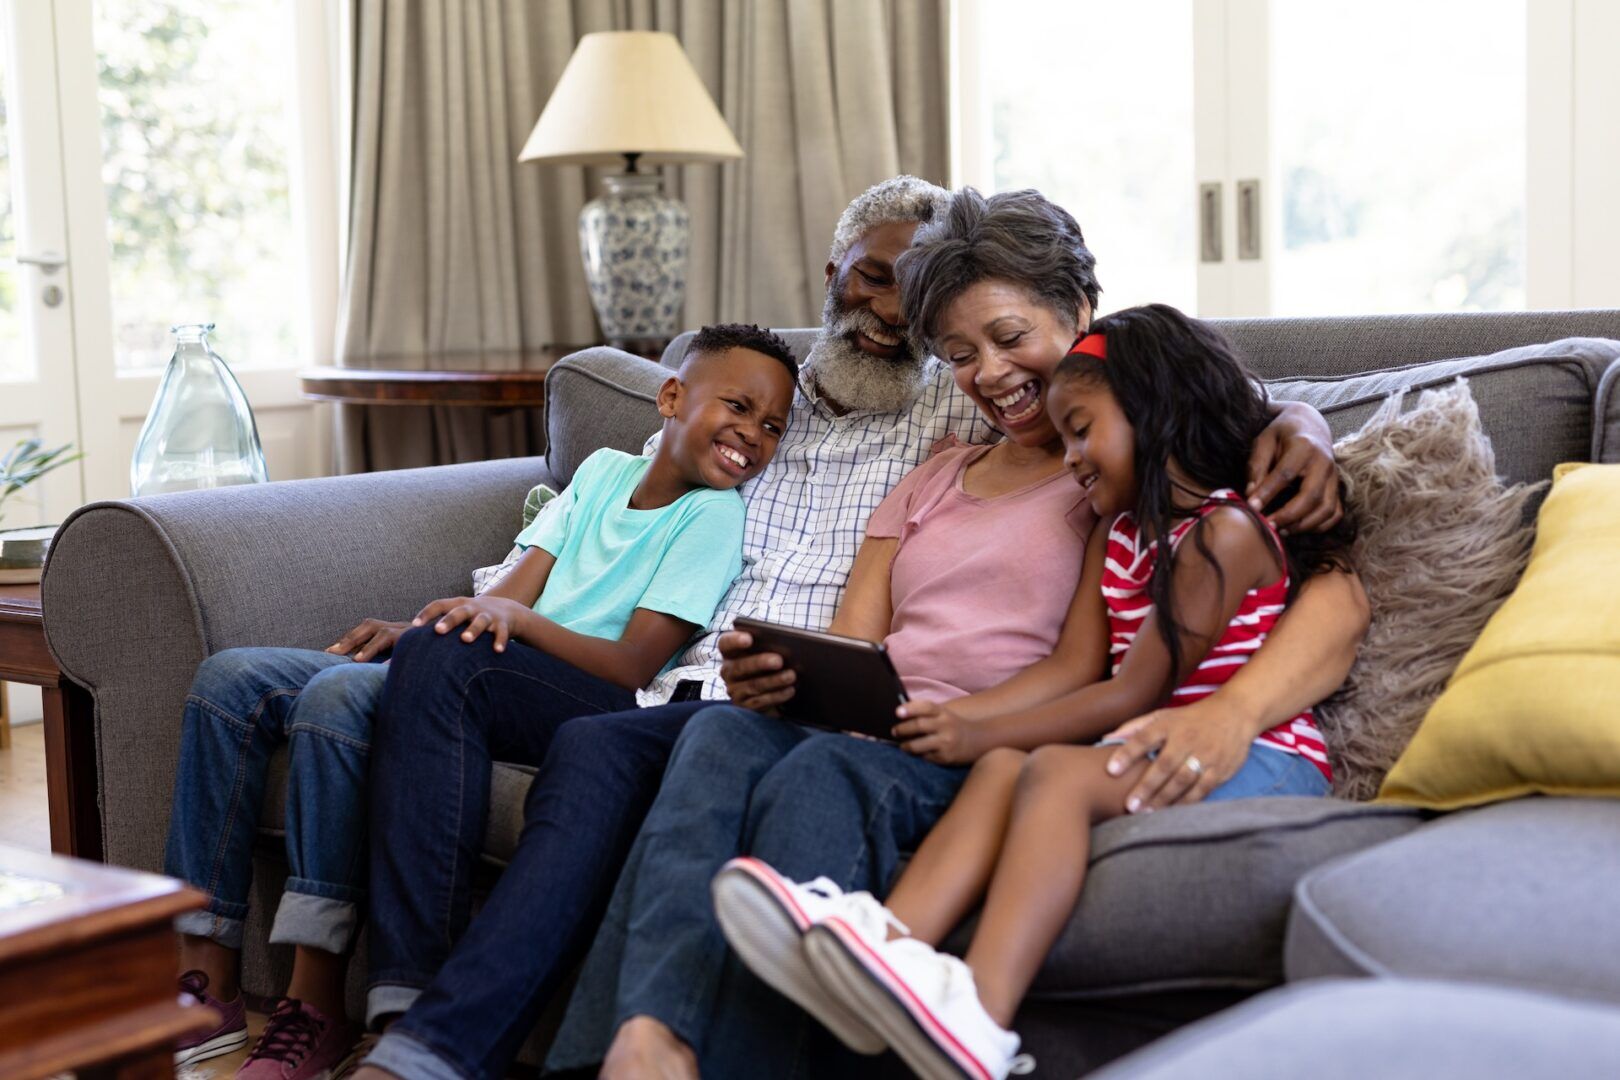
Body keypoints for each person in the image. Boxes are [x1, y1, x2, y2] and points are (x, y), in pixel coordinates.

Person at [541, 188, 1369, 1080]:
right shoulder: (952, 465)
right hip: (898, 718)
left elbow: (1256, 474)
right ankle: (641, 1040)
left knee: (823, 771)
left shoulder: (1130, 472)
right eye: (961, 356)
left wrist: (1303, 421)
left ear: (1083, 317)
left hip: (985, 740)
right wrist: (786, 675)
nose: (992, 374)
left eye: (1013, 339)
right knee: (713, 735)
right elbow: (859, 643)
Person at [723, 304, 1357, 1080]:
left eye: (1083, 430)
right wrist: (965, 730)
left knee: (1047, 768)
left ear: (1154, 411)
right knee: (1001, 770)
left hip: (1259, 756)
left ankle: (982, 1019)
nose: (1073, 454)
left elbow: (1131, 692)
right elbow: (1077, 668)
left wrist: (971, 731)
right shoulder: (1119, 532)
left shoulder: (1223, 534)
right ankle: (879, 954)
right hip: (1150, 736)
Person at [163, 321, 794, 1079]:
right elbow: (515, 588)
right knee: (231, 681)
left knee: (342, 697)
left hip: (584, 693)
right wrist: (433, 627)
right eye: (739, 406)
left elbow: (633, 662)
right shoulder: (599, 473)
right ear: (670, 396)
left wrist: (508, 625)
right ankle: (205, 983)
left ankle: (344, 1005)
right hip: (491, 663)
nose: (753, 434)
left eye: (772, 427)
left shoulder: (712, 515)